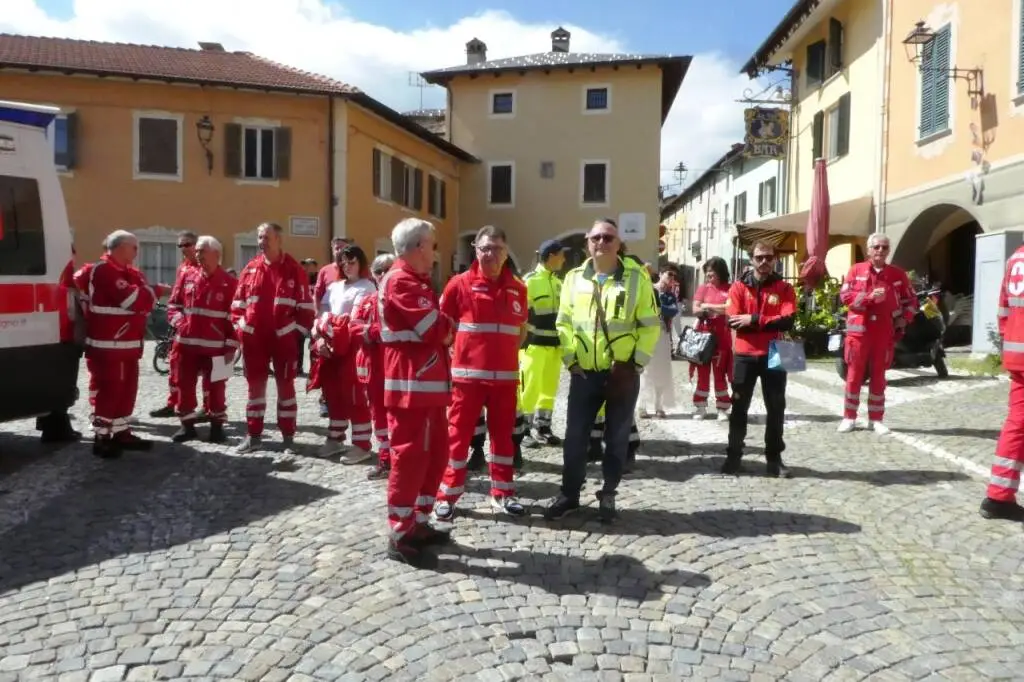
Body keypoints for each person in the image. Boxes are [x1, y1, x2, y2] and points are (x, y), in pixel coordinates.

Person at [544, 218, 660, 523]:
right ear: (587, 242)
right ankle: (569, 494)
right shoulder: (573, 278)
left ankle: (608, 494)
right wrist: (571, 360)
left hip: (621, 372)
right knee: (575, 437)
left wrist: (635, 364)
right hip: (584, 373)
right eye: (596, 238)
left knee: (617, 436)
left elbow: (649, 325)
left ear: (619, 243)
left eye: (608, 238)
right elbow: (564, 322)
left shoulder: (636, 277)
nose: (602, 243)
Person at [434, 226, 529, 523]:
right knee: (457, 438)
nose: (491, 254)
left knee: (503, 440)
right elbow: (442, 329)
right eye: (485, 248)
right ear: (475, 249)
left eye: (497, 248)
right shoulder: (458, 285)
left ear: (506, 252)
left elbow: (521, 333)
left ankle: (503, 493)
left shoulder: (518, 288)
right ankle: (447, 495)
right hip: (468, 381)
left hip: (504, 381)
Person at [379, 218, 454, 565]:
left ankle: (419, 522)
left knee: (435, 453)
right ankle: (399, 533)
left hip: (427, 386)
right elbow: (433, 330)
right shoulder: (400, 281)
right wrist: (447, 326)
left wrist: (445, 326)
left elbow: (439, 328)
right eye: (433, 245)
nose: (435, 252)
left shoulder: (416, 281)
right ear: (418, 247)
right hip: (411, 386)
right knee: (410, 458)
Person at [231, 222, 316, 454]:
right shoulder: (250, 269)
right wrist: (242, 329)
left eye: (266, 237)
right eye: (259, 237)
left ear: (279, 240)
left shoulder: (294, 270)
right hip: (254, 341)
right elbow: (237, 306)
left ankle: (288, 438)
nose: (261, 241)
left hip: (283, 341)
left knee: (286, 389)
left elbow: (306, 309)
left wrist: (294, 334)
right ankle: (254, 435)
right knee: (254, 390)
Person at [723, 240, 797, 478]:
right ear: (751, 259)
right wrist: (766, 320)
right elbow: (732, 320)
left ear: (775, 259)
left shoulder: (785, 288)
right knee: (739, 408)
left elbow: (788, 321)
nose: (764, 262)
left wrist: (753, 320)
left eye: (768, 257)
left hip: (779, 349)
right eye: (759, 257)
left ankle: (774, 459)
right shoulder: (737, 287)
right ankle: (733, 456)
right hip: (745, 352)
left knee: (776, 408)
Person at [83, 230, 157, 458]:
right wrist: (149, 292)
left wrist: (146, 293)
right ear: (120, 247)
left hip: (127, 344)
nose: (137, 252)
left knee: (126, 391)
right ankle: (102, 436)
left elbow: (146, 302)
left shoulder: (127, 273)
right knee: (111, 390)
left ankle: (121, 431)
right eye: (134, 247)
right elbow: (132, 300)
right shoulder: (104, 270)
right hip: (109, 345)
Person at [837, 232, 916, 435]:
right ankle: (849, 417)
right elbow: (845, 297)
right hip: (859, 333)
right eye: (876, 247)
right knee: (853, 376)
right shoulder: (856, 270)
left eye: (884, 247)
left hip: (883, 332)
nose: (880, 250)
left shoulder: (897, 274)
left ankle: (876, 419)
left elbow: (911, 301)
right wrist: (869, 298)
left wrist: (904, 318)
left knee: (879, 377)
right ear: (869, 250)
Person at [166, 236, 237, 444]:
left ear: (216, 254)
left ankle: (217, 428)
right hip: (186, 345)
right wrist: (180, 324)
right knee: (184, 385)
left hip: (219, 348)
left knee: (218, 388)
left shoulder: (231, 283)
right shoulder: (187, 276)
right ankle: (187, 427)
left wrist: (232, 345)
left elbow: (238, 315)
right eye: (196, 251)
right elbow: (173, 305)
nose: (197, 255)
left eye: (202, 251)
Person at [317, 245, 377, 463]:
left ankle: (362, 444)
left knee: (355, 395)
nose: (347, 266)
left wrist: (331, 329)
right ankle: (335, 438)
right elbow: (323, 313)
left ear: (360, 263)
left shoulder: (367, 287)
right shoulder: (334, 287)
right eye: (343, 262)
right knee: (332, 393)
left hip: (353, 347)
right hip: (331, 345)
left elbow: (357, 318)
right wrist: (321, 336)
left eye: (351, 261)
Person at [981, 243, 1024, 521]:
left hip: (1017, 353)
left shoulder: (1016, 257)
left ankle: (998, 496)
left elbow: (1003, 310)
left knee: (1017, 423)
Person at [349, 254, 396, 480]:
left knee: (401, 417)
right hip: (373, 368)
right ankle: (386, 460)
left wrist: (374, 332)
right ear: (374, 276)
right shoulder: (368, 300)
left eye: (389, 269)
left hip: (398, 368)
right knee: (379, 418)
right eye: (380, 271)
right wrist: (374, 332)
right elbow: (353, 328)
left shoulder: (401, 300)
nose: (385, 275)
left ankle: (403, 460)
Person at [150, 231, 206, 419]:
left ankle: (209, 408)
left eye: (187, 244)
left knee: (208, 371)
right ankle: (173, 403)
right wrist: (177, 319)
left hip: (203, 327)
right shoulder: (183, 267)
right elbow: (176, 296)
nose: (183, 249)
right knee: (176, 366)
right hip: (182, 326)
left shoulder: (206, 266)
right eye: (180, 246)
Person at [519, 239, 567, 447]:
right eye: (561, 255)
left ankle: (543, 427)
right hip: (533, 347)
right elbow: (521, 314)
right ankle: (523, 430)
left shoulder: (558, 283)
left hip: (554, 347)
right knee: (529, 388)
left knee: (549, 388)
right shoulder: (529, 281)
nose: (564, 259)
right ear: (551, 256)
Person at [691, 257, 733, 420]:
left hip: (722, 336)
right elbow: (695, 308)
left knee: (719, 372)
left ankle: (722, 408)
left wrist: (707, 306)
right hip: (703, 335)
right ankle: (700, 406)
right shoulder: (703, 289)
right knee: (702, 372)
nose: (709, 278)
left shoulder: (730, 288)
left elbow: (730, 308)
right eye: (707, 274)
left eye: (712, 274)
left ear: (721, 273)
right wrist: (707, 309)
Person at [639, 266, 679, 418]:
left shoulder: (670, 295)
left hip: (663, 335)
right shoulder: (648, 289)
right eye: (669, 275)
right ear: (661, 274)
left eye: (674, 277)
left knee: (662, 370)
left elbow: (673, 311)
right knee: (645, 370)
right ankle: (641, 406)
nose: (671, 279)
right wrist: (662, 309)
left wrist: (658, 307)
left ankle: (659, 405)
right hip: (647, 334)